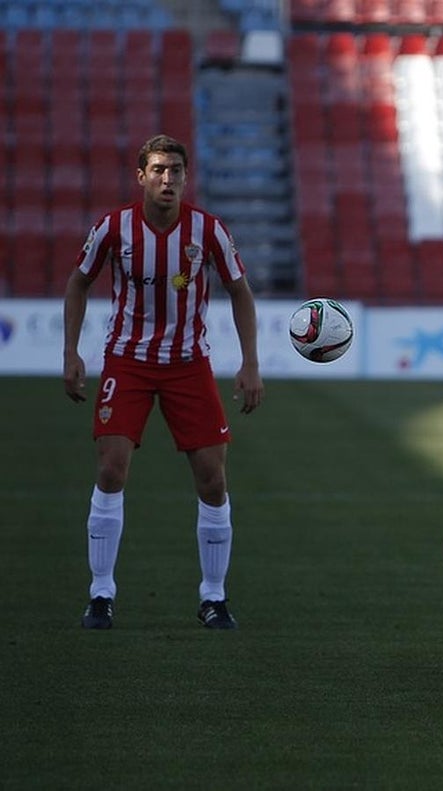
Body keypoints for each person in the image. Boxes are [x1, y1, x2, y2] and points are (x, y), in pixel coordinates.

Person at [63, 134, 264, 630]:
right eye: (158, 170)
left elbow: (240, 291)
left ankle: (213, 596)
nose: (167, 179)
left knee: (213, 479)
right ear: (141, 176)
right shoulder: (115, 228)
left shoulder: (208, 231)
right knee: (111, 469)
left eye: (175, 170)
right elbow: (78, 282)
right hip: (127, 360)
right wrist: (71, 352)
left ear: (185, 177)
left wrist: (251, 362)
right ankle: (100, 593)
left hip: (188, 363)